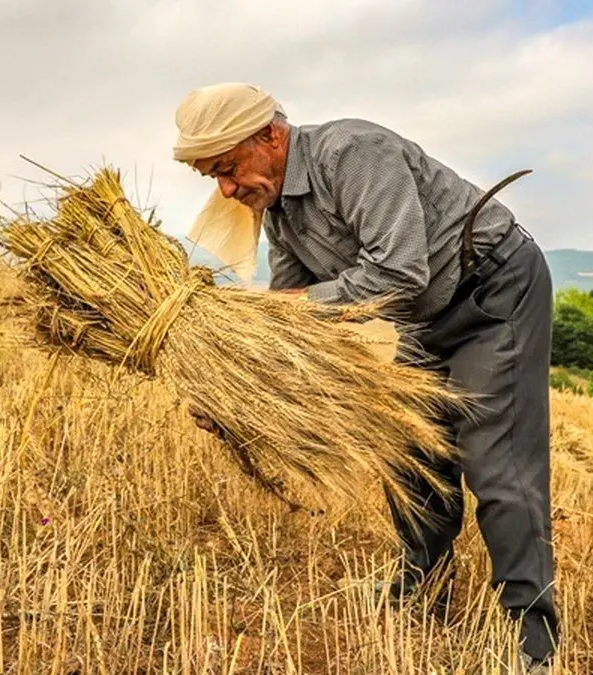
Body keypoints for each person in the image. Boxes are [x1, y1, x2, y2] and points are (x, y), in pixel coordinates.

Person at [171, 82, 558, 671]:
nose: (226, 189)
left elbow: (398, 270)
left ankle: (532, 638)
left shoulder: (352, 153)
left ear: (270, 136)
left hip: (491, 291)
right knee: (410, 451)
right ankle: (419, 587)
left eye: (228, 168)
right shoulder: (281, 213)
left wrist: (294, 309)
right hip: (421, 315)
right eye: (213, 178)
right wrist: (237, 382)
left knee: (496, 461)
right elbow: (294, 318)